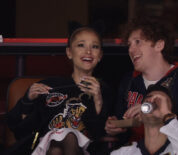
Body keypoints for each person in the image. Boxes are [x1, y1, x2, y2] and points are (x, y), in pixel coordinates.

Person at [105, 16, 178, 151]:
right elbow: (125, 131)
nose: (131, 50)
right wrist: (116, 127)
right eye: (129, 45)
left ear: (159, 45)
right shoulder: (128, 82)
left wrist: (155, 112)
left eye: (138, 42)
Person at [6, 27, 113, 155]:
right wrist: (27, 101)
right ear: (69, 52)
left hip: (84, 150)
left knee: (65, 141)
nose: (88, 51)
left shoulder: (104, 90)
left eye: (95, 47)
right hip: (44, 149)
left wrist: (98, 100)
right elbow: (20, 131)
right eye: (81, 45)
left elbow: (101, 134)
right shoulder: (50, 86)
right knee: (57, 146)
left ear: (100, 55)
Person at [111, 84, 178, 155]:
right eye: (148, 98)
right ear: (140, 115)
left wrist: (166, 115)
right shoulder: (123, 152)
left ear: (172, 115)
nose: (152, 101)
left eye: (161, 102)